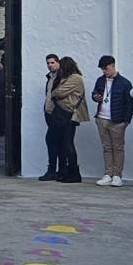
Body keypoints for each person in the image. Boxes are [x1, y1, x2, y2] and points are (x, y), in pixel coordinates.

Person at [90, 55, 133, 187]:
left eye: (106, 69)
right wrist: (95, 96)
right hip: (102, 119)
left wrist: (126, 121)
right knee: (107, 148)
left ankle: (117, 175)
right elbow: (95, 93)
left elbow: (129, 103)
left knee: (118, 148)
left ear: (113, 66)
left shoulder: (125, 83)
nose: (104, 72)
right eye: (102, 69)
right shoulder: (100, 80)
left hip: (117, 121)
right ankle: (108, 174)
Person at [49, 56, 89, 184]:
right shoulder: (68, 78)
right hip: (64, 113)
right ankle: (67, 172)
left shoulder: (75, 78)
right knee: (64, 143)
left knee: (68, 144)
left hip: (69, 114)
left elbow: (58, 92)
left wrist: (55, 92)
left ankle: (74, 173)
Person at [38, 54, 63, 181]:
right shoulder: (50, 77)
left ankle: (53, 169)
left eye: (52, 62)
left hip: (56, 114)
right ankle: (56, 169)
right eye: (48, 63)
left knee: (52, 140)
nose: (50, 65)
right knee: (54, 142)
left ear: (58, 62)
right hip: (49, 112)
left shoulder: (61, 77)